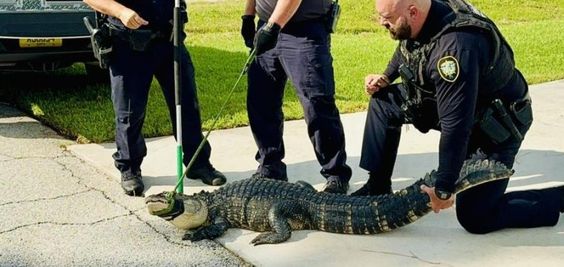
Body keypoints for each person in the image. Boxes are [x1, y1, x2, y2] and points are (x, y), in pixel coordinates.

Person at [353, 0, 563, 233]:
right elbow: (407, 45)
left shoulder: (455, 50)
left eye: (387, 18)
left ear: (413, 12)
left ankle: (558, 198)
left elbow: (456, 126)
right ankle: (377, 186)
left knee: (476, 217)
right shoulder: (425, 14)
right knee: (384, 101)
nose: (382, 22)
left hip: (494, 128)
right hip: (459, 103)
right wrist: (386, 76)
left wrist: (443, 188)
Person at [83, 0, 226, 196]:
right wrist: (121, 11)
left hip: (170, 39)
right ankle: (130, 168)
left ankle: (198, 163)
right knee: (130, 111)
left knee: (186, 105)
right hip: (128, 43)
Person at [239, 0, 352, 194]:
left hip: (305, 30)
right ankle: (270, 167)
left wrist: (273, 26)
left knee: (316, 103)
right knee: (261, 100)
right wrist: (248, 15)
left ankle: (336, 173)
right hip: (267, 25)